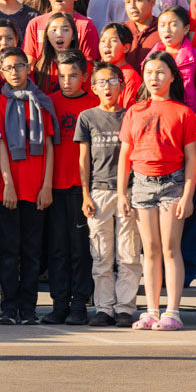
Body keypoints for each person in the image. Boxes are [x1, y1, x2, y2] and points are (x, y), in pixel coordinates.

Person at [116, 54, 196, 331]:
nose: (154, 77)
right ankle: (152, 310)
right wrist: (122, 192)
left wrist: (187, 195)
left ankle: (172, 311)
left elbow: (191, 159)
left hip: (172, 184)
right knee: (150, 250)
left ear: (173, 76)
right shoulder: (134, 111)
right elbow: (125, 156)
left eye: (161, 72)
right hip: (141, 184)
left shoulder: (183, 112)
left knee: (170, 249)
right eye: (150, 72)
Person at [0, 48, 57, 325]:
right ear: (1, 72)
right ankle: (9, 306)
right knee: (8, 251)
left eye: (19, 66)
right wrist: (7, 184)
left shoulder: (42, 102)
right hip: (7, 190)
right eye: (8, 67)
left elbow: (50, 145)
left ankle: (28, 308)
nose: (14, 72)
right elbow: (1, 144)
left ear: (28, 68)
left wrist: (47, 186)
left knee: (32, 251)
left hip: (36, 187)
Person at [77, 62, 137, 327]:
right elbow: (84, 159)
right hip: (99, 191)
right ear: (93, 88)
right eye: (102, 82)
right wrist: (85, 195)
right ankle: (104, 308)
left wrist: (127, 192)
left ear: (122, 86)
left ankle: (124, 308)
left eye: (113, 81)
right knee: (101, 254)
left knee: (129, 253)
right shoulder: (87, 117)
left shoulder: (131, 115)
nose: (107, 87)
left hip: (128, 191)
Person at [43, 53, 96, 325]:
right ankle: (59, 303)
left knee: (80, 249)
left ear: (85, 77)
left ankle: (79, 304)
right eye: (61, 76)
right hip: (55, 186)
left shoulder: (94, 103)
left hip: (81, 188)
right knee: (58, 249)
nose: (66, 81)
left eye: (73, 75)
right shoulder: (49, 102)